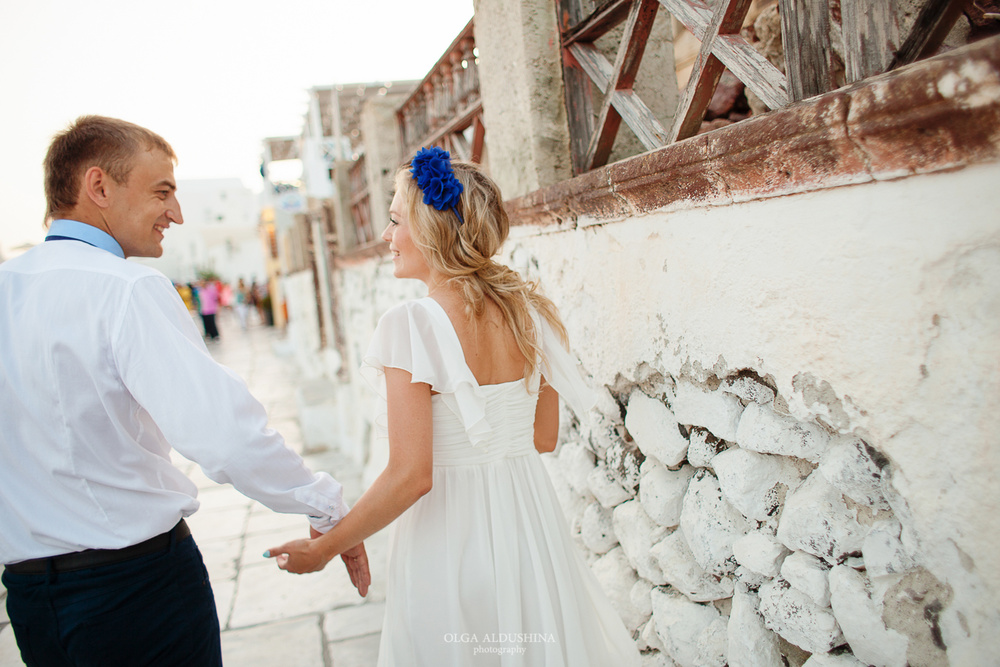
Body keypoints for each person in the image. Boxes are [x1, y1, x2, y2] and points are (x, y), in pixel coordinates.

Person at [0, 115, 369, 667]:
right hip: (137, 592)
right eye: (162, 192)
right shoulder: (126, 289)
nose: (176, 213)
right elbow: (225, 437)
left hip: (30, 602)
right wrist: (323, 503)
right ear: (98, 187)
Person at [267, 147, 639, 666]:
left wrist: (325, 548)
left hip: (449, 537)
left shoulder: (411, 326)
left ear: (429, 229)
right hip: (528, 529)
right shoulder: (533, 314)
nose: (385, 236)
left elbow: (412, 476)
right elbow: (543, 438)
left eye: (395, 221)